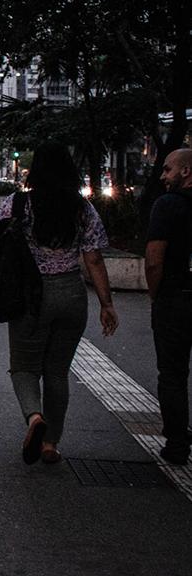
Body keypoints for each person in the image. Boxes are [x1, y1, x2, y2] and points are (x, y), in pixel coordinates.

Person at [0, 143, 117, 465]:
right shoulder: (82, 208)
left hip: (30, 296)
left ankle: (34, 417)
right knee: (58, 371)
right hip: (72, 294)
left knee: (24, 366)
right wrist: (107, 304)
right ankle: (50, 444)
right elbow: (94, 259)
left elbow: (0, 250)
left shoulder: (18, 204)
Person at [147, 148, 192, 465]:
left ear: (186, 171)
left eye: (167, 170)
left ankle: (177, 444)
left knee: (173, 374)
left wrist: (156, 295)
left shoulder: (168, 206)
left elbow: (153, 260)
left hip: (176, 297)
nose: (162, 176)